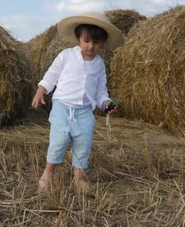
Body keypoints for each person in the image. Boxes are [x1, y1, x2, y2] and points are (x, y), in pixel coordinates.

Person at [31, 12, 125, 192]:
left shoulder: (99, 64)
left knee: (83, 144)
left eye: (96, 42)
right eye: (86, 41)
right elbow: (52, 75)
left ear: (102, 43)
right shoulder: (66, 55)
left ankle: (80, 177)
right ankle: (48, 173)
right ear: (78, 39)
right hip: (62, 108)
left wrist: (106, 104)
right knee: (58, 142)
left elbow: (100, 92)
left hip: (84, 112)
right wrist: (41, 90)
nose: (91, 46)